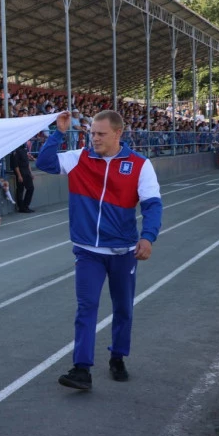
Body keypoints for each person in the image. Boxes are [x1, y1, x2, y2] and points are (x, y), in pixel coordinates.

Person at [36, 110, 162, 390]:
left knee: (123, 309)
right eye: (92, 132)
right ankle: (82, 368)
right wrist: (58, 132)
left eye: (101, 134)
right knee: (86, 308)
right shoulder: (79, 158)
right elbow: (44, 162)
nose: (94, 138)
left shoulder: (140, 165)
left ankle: (118, 356)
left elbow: (152, 204)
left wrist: (148, 237)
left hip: (122, 251)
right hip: (87, 251)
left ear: (118, 134)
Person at [10, 142, 35, 213]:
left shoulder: (24, 150)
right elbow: (16, 165)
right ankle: (22, 207)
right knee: (21, 190)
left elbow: (27, 163)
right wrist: (19, 175)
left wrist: (31, 173)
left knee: (30, 188)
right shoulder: (16, 151)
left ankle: (24, 206)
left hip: (26, 171)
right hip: (21, 172)